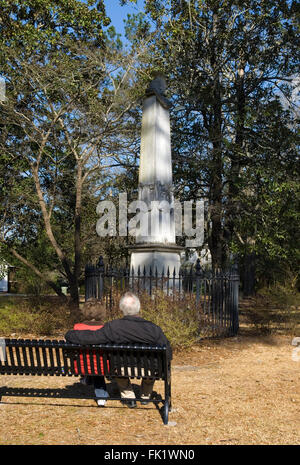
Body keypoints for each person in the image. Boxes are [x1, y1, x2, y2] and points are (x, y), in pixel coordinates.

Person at [65, 292, 172, 408]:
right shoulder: (154, 329)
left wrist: (70, 334)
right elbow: (168, 352)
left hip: (122, 369)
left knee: (118, 366)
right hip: (149, 371)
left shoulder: (114, 327)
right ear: (139, 308)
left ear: (121, 308)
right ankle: (145, 396)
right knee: (152, 365)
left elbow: (91, 338)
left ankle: (128, 396)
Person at [72, 299, 109, 407]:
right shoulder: (106, 328)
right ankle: (101, 396)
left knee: (89, 360)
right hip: (102, 366)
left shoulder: (77, 327)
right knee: (97, 363)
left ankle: (87, 378)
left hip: (81, 365)